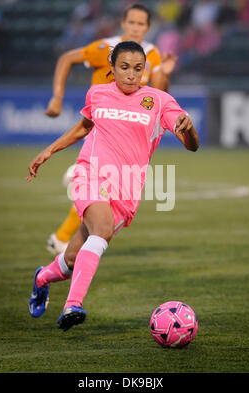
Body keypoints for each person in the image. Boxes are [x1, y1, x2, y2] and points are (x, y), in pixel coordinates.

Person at [27, 41, 199, 332]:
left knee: (71, 260)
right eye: (124, 67)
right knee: (102, 230)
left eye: (138, 68)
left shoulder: (158, 101)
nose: (132, 75)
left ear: (144, 70)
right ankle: (73, 305)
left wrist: (188, 127)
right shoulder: (98, 93)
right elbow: (84, 126)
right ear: (112, 68)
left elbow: (192, 145)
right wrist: (50, 150)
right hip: (90, 175)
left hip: (126, 192)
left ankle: (42, 278)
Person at [44, 3, 178, 255]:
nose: (136, 28)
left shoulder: (152, 54)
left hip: (126, 136)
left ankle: (63, 238)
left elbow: (159, 95)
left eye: (141, 24)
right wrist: (57, 98)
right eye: (132, 23)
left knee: (103, 196)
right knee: (101, 194)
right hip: (101, 132)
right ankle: (67, 239)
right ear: (123, 23)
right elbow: (66, 59)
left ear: (148, 28)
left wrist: (166, 73)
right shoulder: (105, 47)